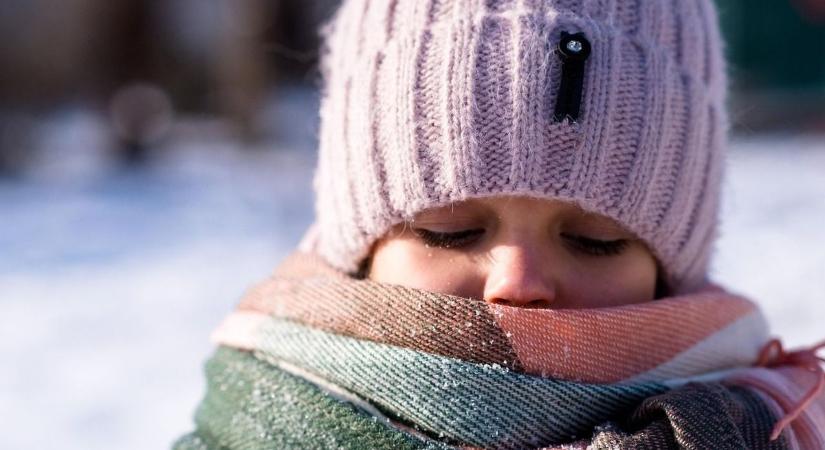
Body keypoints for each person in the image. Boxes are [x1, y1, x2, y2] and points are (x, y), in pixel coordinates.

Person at [175, 0, 825, 448]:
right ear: (361, 250)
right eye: (450, 230)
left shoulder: (770, 429)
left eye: (594, 241)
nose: (517, 283)